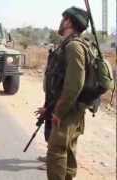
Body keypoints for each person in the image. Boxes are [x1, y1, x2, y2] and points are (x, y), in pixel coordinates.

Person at [42, 7, 90, 180]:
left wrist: (58, 112)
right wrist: (48, 107)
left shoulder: (74, 47)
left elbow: (74, 85)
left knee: (56, 153)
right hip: (67, 107)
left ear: (69, 21)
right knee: (66, 151)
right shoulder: (69, 45)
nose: (61, 22)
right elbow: (59, 81)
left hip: (68, 110)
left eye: (63, 19)